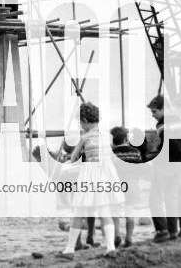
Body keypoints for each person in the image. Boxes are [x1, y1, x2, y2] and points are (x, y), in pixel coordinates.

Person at [58, 102, 123, 260]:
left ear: (85, 120)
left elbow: (73, 157)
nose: (80, 125)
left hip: (89, 176)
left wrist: (70, 156)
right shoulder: (107, 136)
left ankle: (69, 249)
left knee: (79, 213)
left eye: (80, 122)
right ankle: (110, 247)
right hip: (105, 176)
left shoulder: (85, 137)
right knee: (105, 212)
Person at [147, 95, 181, 242]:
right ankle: (173, 231)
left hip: (164, 166)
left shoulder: (163, 125)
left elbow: (160, 147)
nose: (153, 115)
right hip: (178, 166)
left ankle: (163, 230)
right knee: (172, 198)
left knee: (155, 199)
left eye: (154, 111)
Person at [110, 126, 142, 248]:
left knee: (115, 213)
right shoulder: (135, 152)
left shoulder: (112, 154)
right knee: (130, 213)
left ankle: (117, 235)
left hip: (116, 186)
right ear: (126, 138)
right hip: (132, 185)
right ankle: (129, 238)